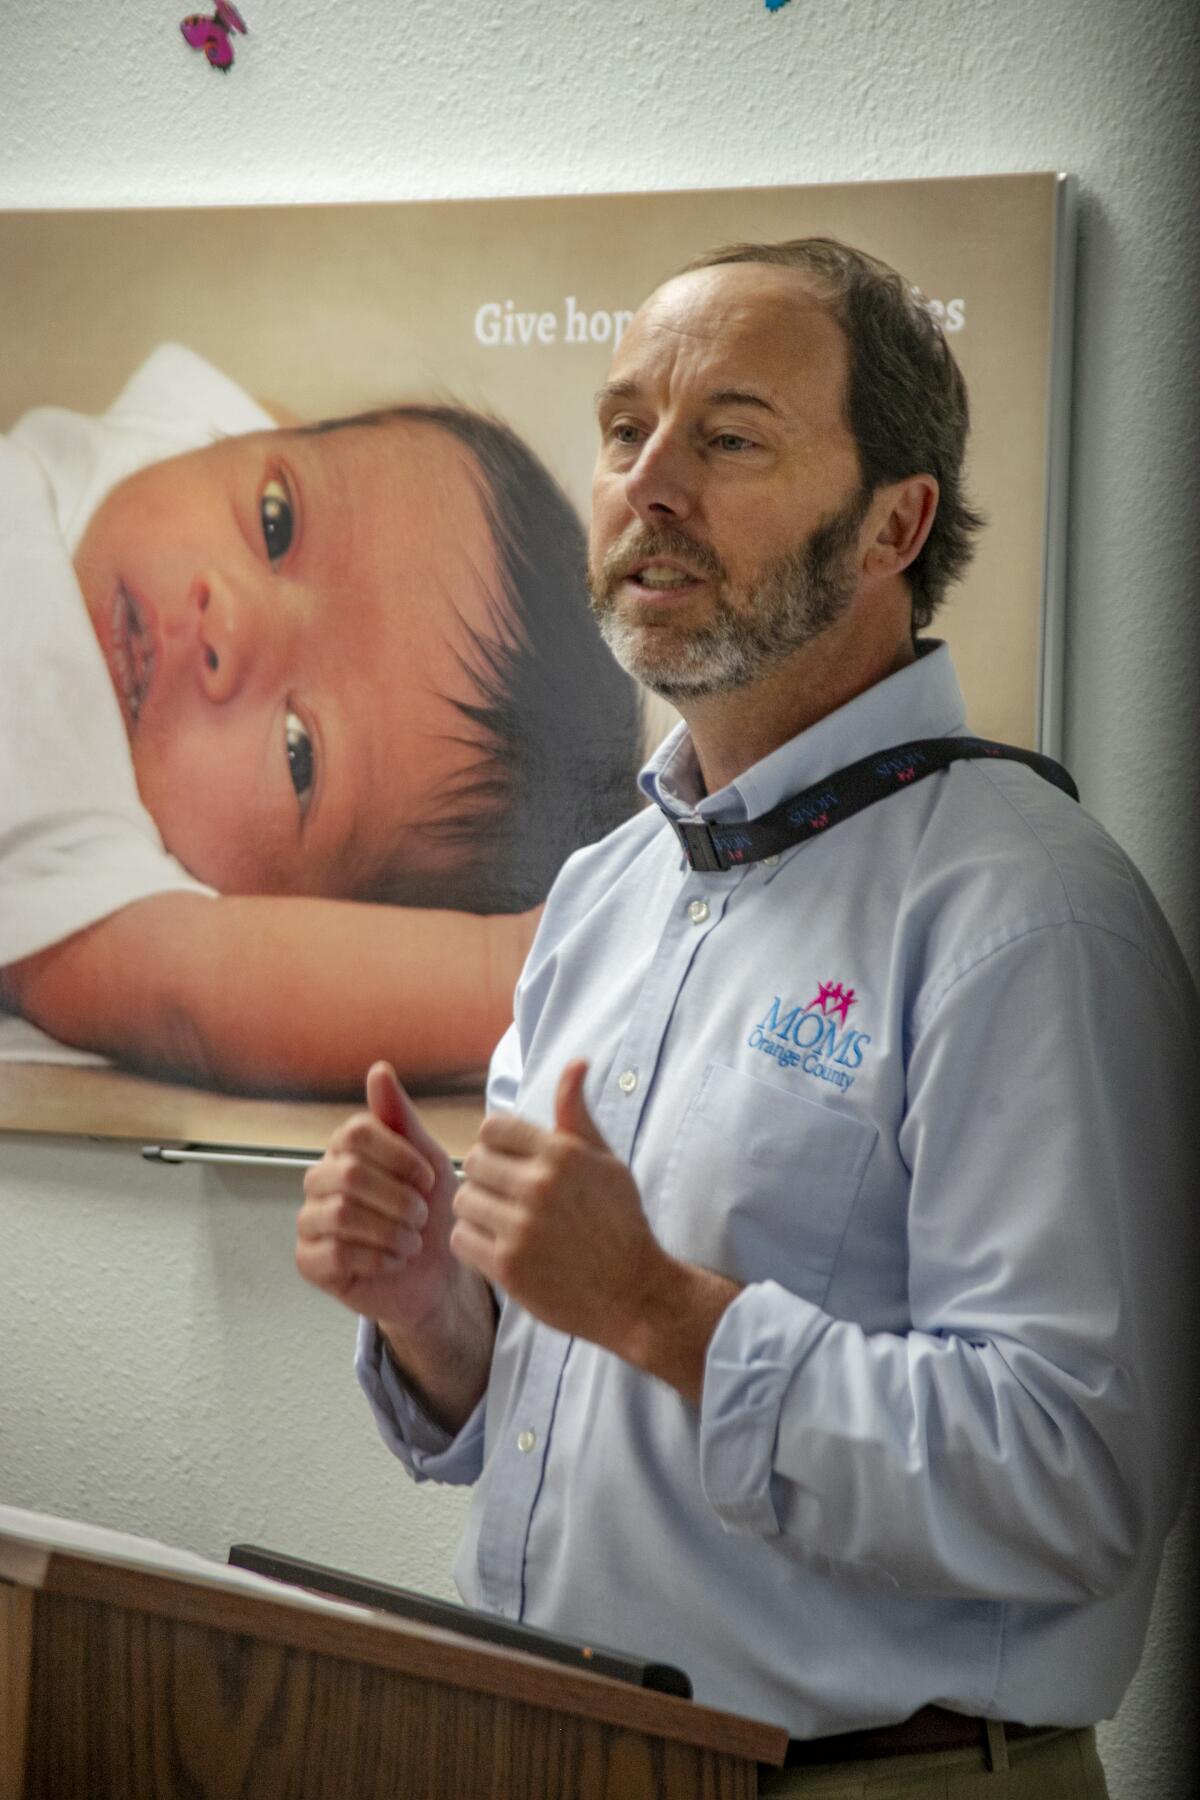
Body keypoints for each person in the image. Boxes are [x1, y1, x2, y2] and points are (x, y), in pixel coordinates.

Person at [295, 238, 1199, 1794]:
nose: (650, 483)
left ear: (892, 526)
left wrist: (657, 1305)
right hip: (555, 1748)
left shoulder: (1027, 914)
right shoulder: (603, 892)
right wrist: (432, 1313)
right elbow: (548, 1391)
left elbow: (1078, 1471)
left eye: (727, 437)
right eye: (624, 429)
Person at [0, 343, 641, 1093]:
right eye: (276, 527)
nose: (229, 623)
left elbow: (203, 997)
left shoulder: (73, 836)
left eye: (298, 752)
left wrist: (526, 960)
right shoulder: (186, 443)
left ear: (292, 918)